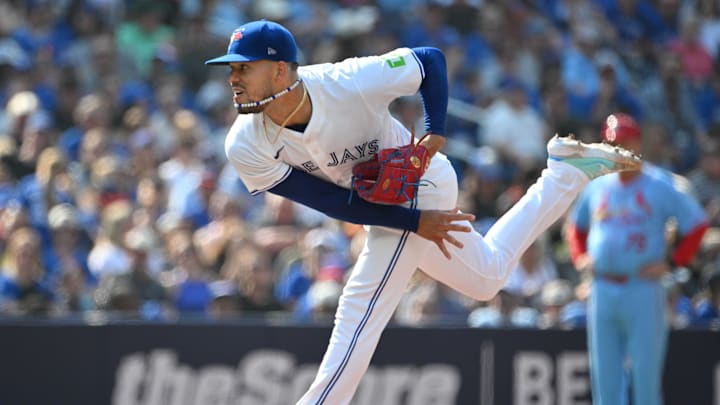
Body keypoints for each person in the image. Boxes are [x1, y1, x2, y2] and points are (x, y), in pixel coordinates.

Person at [205, 20, 641, 404]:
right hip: (388, 206)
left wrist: (434, 134)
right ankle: (565, 173)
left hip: (423, 181)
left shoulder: (346, 81)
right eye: (232, 68)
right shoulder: (245, 142)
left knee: (362, 302)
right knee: (486, 278)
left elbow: (429, 61)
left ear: (280, 69)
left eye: (243, 67)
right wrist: (416, 224)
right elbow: (334, 204)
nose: (233, 78)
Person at [565, 113, 708, 405]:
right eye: (614, 143)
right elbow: (575, 227)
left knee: (645, 378)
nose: (621, 149)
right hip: (602, 287)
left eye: (626, 142)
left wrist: (672, 263)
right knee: (604, 381)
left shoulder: (659, 183)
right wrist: (580, 257)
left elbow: (697, 224)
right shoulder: (597, 186)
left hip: (642, 288)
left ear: (637, 141)